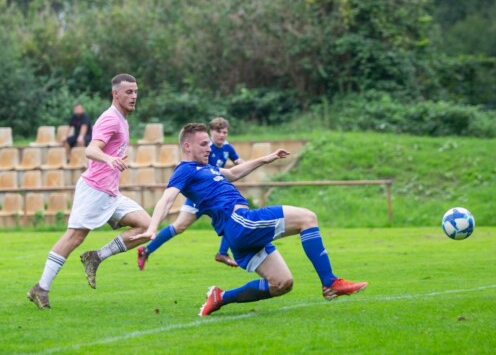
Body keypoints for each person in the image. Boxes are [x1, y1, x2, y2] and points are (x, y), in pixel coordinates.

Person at [131, 123, 367, 316]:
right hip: (241, 221)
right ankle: (330, 282)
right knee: (308, 217)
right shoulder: (185, 170)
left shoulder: (208, 168)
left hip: (239, 235)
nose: (209, 149)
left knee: (282, 284)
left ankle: (220, 297)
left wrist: (267, 158)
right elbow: (166, 198)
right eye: (204, 144)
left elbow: (234, 173)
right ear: (187, 145)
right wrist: (152, 227)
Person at [27, 74, 153, 309]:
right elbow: (90, 149)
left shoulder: (122, 119)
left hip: (110, 192)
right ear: (115, 93)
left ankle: (96, 257)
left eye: (136, 91)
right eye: (129, 92)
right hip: (95, 190)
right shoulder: (110, 119)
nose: (134, 96)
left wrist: (112, 161)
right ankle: (41, 288)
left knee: (147, 227)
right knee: (74, 237)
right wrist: (109, 159)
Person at [136, 117, 245, 270]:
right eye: (218, 132)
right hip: (198, 197)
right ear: (211, 132)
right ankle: (147, 249)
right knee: (179, 226)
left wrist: (251, 164)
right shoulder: (204, 146)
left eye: (225, 132)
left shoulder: (228, 148)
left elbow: (238, 164)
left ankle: (222, 253)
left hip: (215, 198)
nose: (222, 135)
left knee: (231, 215)